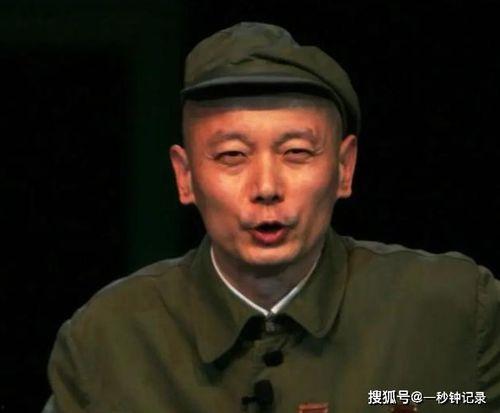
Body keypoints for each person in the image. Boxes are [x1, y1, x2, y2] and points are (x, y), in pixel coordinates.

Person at [42, 22, 499, 413]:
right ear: (185, 177)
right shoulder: (108, 341)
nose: (265, 187)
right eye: (232, 155)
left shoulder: (454, 313)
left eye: (296, 152)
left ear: (345, 168)